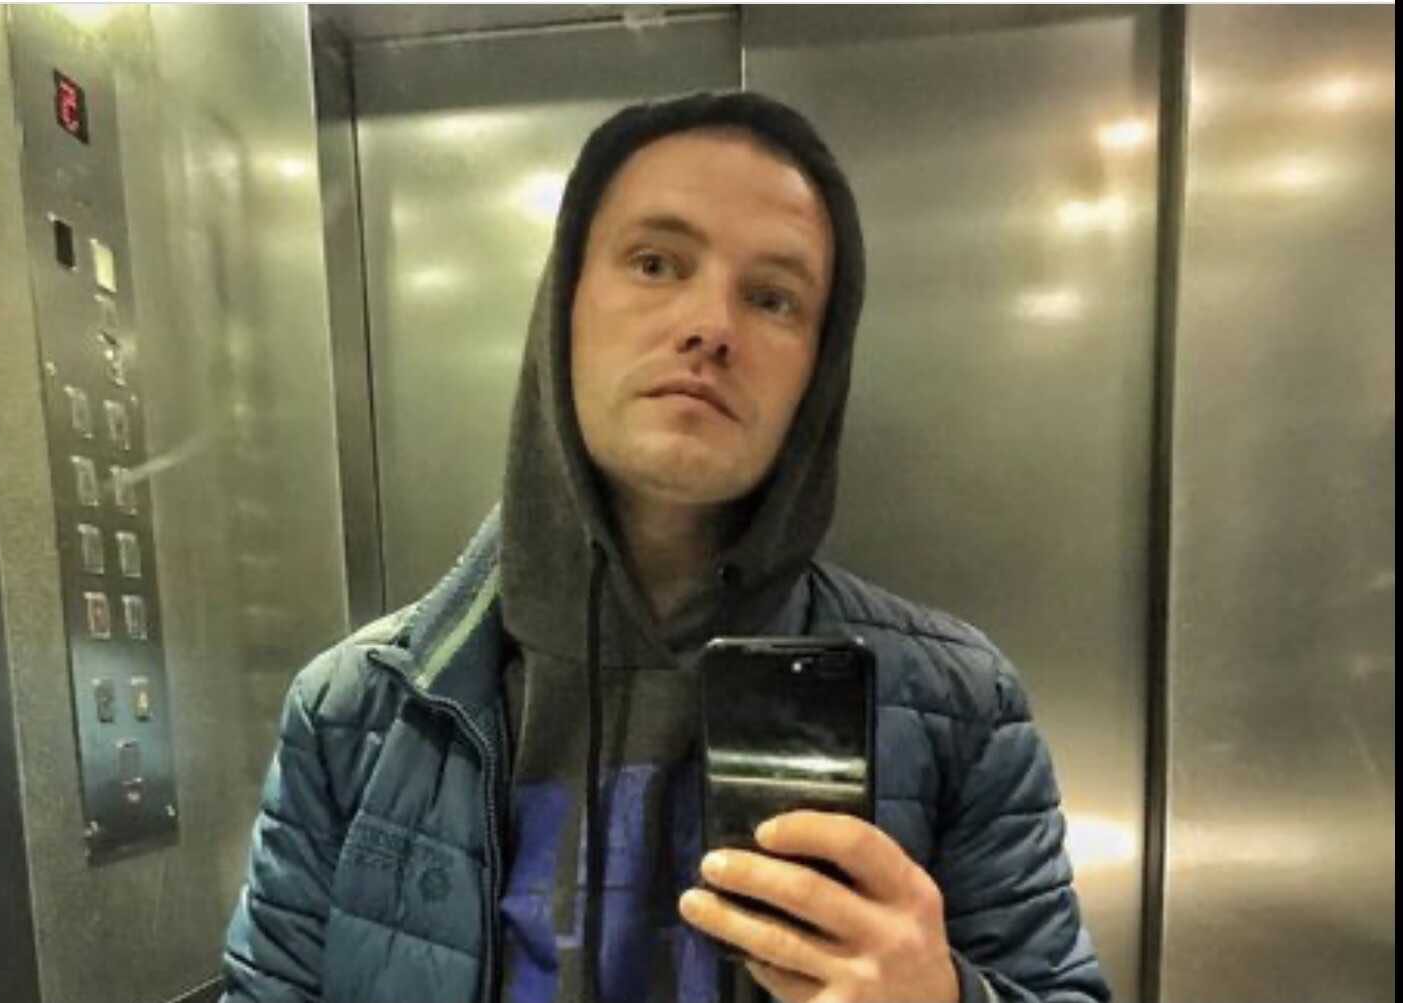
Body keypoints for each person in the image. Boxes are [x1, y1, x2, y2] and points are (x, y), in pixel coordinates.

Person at [220, 90, 1111, 1003]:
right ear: (564, 306)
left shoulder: (959, 709)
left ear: (818, 369)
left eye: (772, 298)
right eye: (655, 263)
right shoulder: (358, 711)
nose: (710, 326)